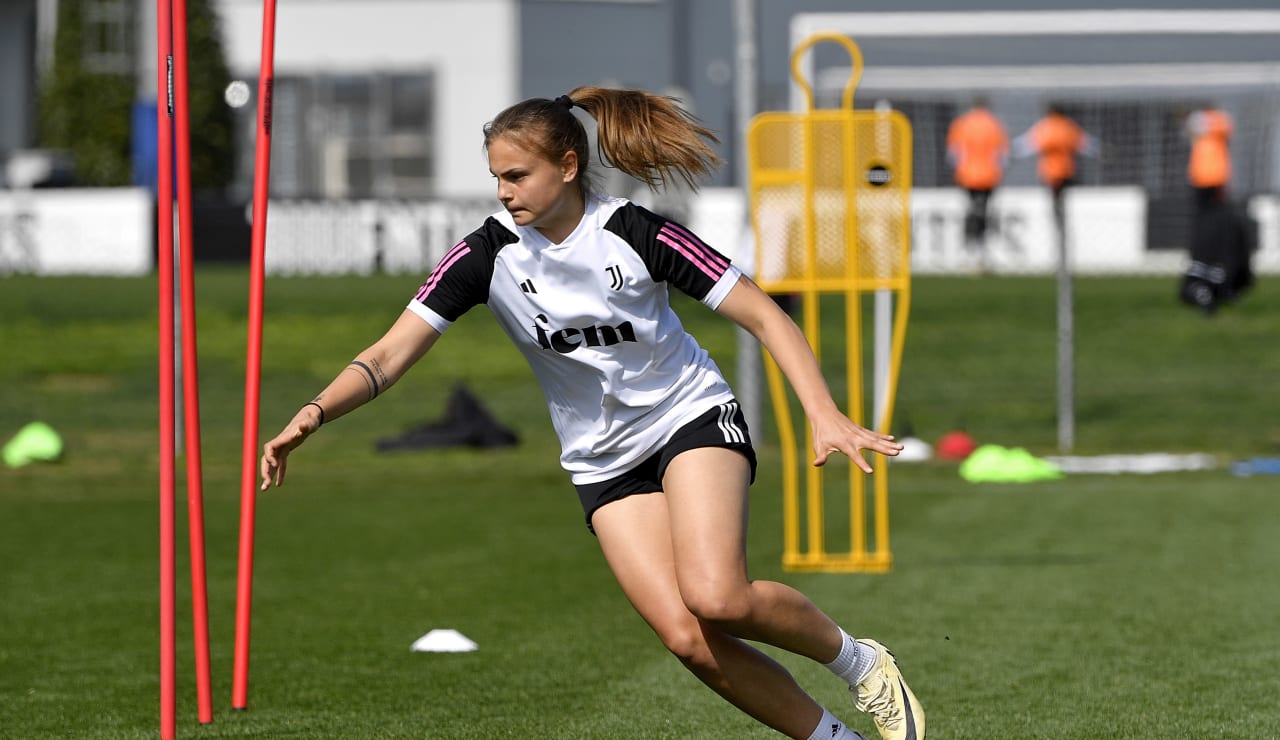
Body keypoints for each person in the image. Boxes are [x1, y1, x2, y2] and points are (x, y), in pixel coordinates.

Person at [259, 87, 924, 740]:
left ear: (568, 166)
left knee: (718, 597)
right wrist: (315, 413)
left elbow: (764, 313)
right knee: (689, 640)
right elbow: (388, 355)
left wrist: (823, 413)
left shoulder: (638, 233)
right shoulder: (486, 254)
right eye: (496, 177)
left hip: (688, 416)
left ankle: (862, 663)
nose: (504, 192)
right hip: (601, 459)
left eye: (517, 175)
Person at [1178, 107, 1253, 314]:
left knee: (1222, 230)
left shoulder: (1215, 122)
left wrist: (1195, 120)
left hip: (1214, 185)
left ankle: (1217, 279)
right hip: (1203, 186)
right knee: (1210, 232)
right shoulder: (1203, 142)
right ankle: (1208, 278)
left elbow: (1224, 126)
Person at [1013, 103, 1097, 223]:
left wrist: (1013, 151)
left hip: (1050, 172)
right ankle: (1061, 220)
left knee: (1055, 200)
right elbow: (1084, 144)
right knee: (1062, 199)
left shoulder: (1046, 127)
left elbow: (1029, 143)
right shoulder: (1068, 126)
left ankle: (1057, 220)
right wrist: (1101, 151)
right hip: (1066, 171)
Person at [946, 97, 1009, 256]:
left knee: (972, 209)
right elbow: (1002, 155)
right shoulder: (994, 124)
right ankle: (983, 246)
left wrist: (958, 169)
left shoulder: (962, 123)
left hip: (967, 175)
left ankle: (970, 245)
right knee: (984, 209)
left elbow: (953, 153)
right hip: (989, 176)